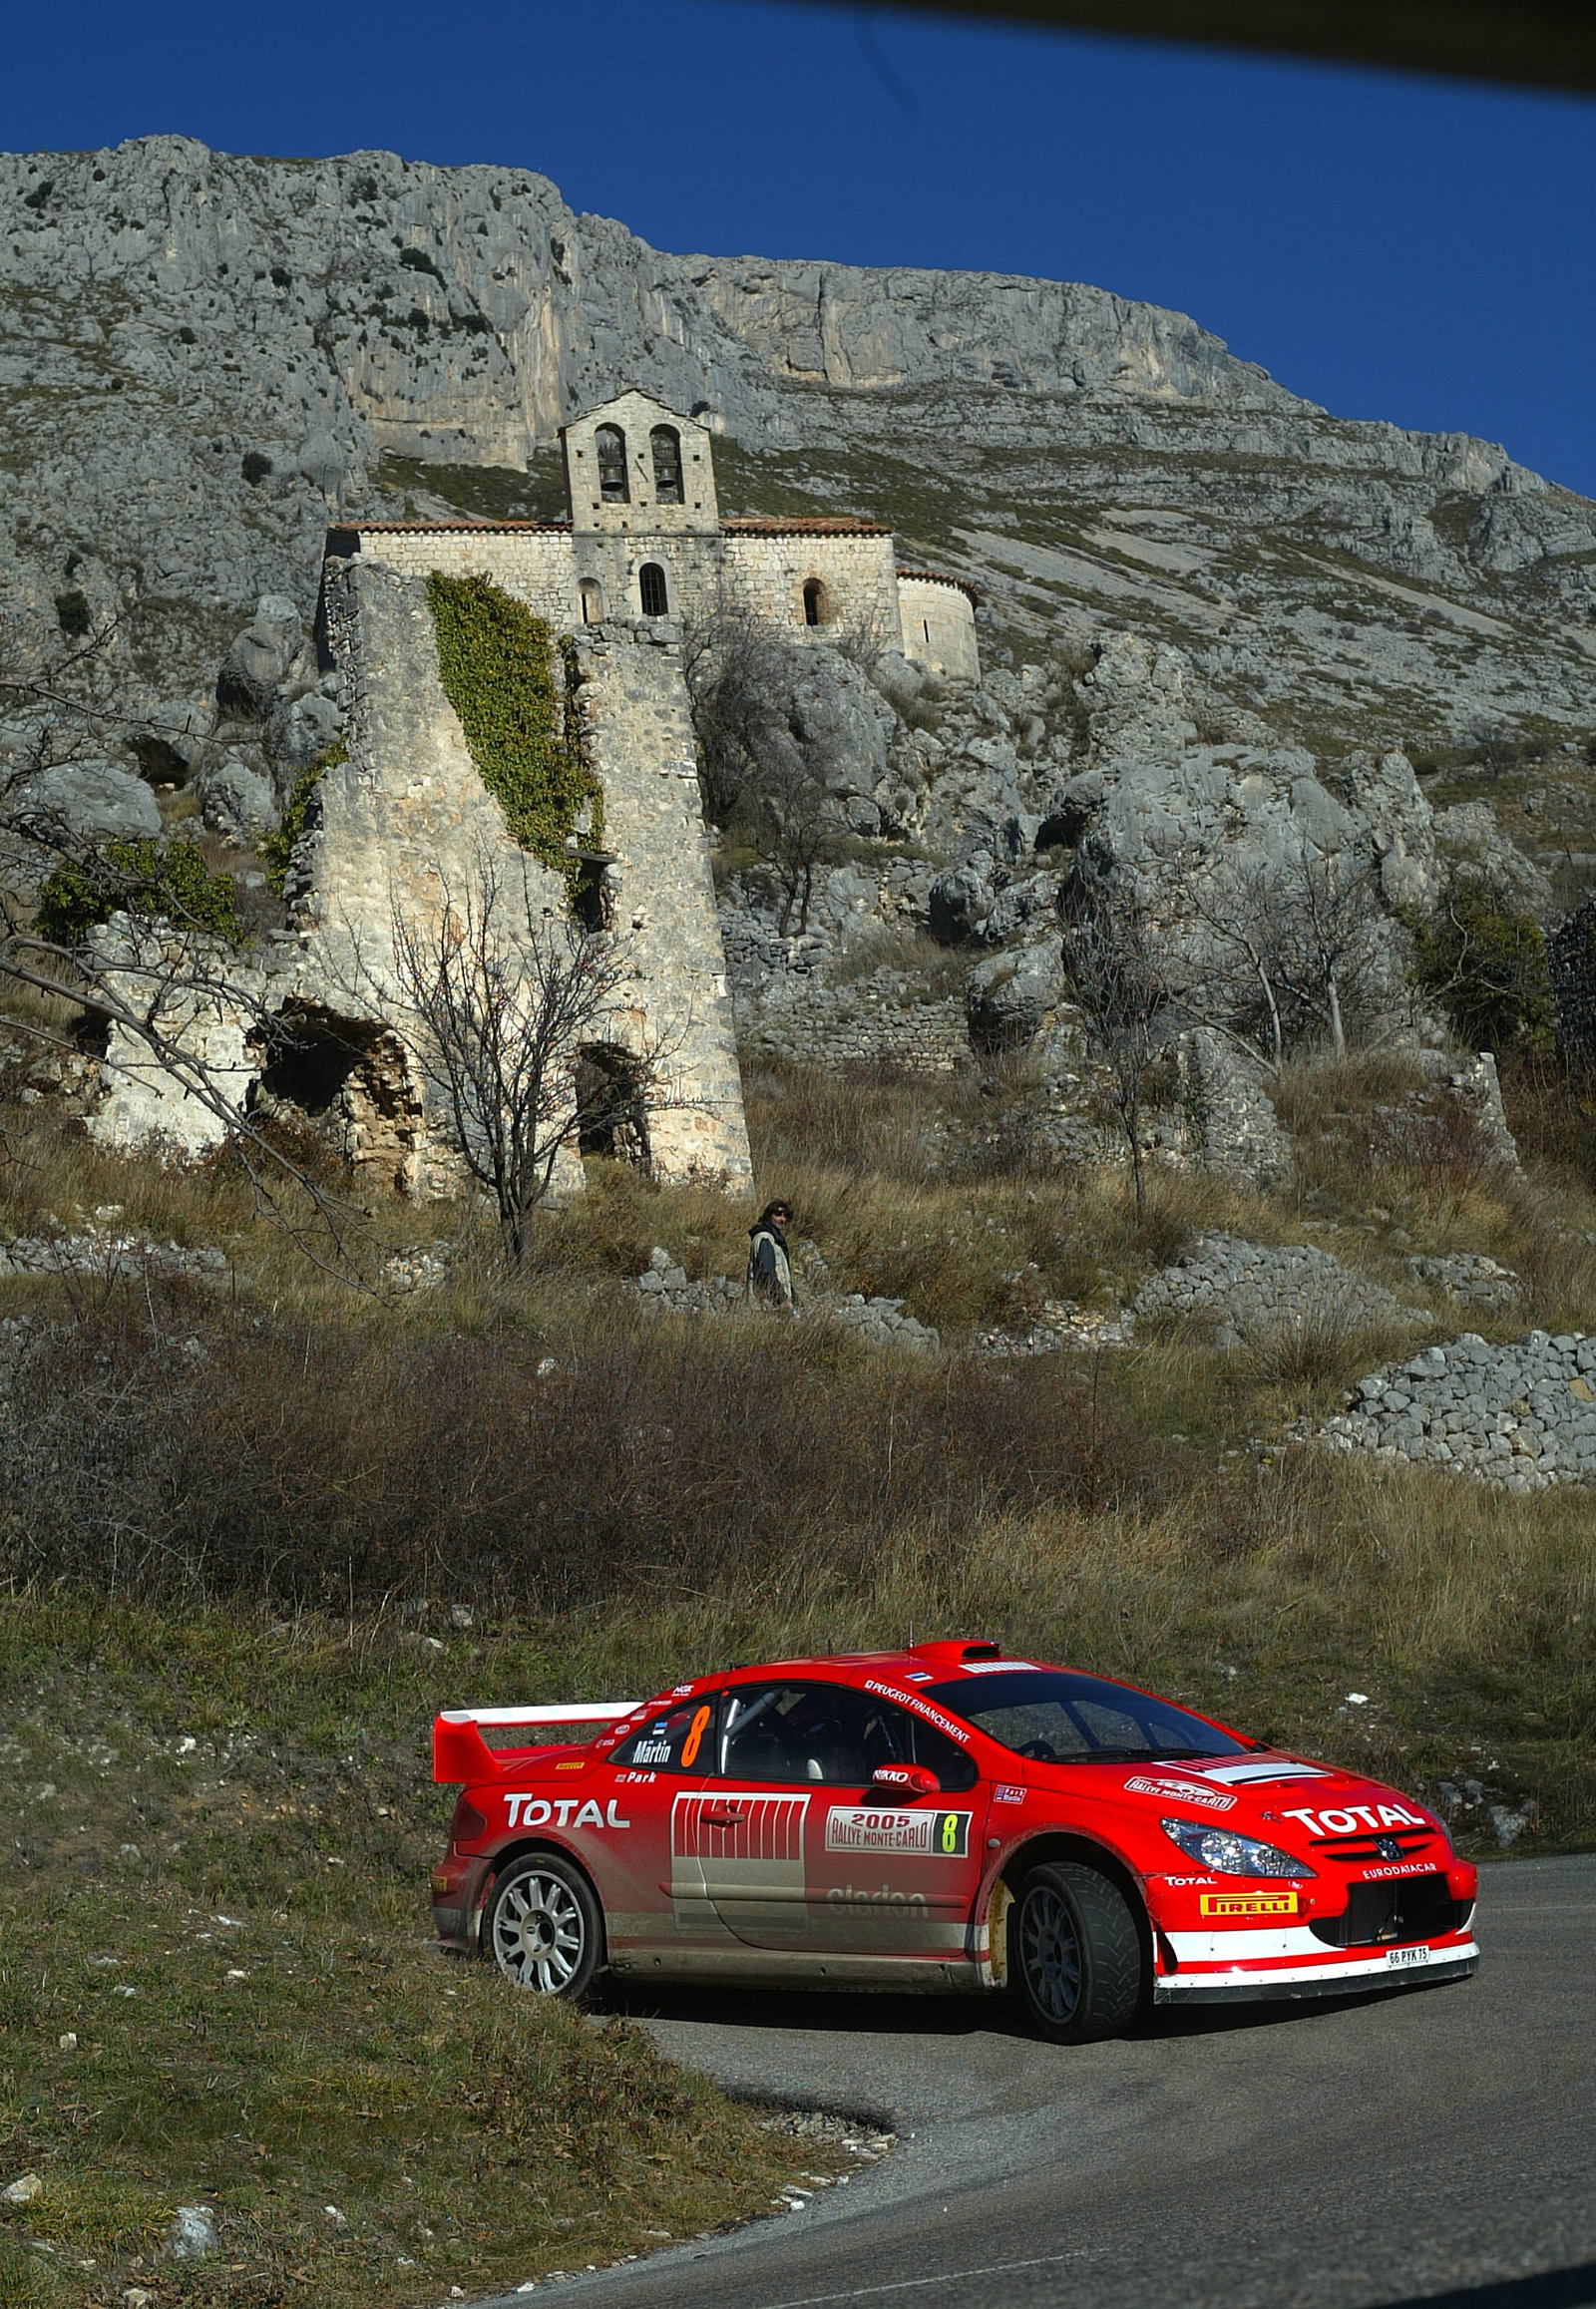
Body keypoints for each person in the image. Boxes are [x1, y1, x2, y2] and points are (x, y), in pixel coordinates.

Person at [746, 1201, 796, 1313]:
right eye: (778, 1214)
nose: (782, 1219)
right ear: (769, 1216)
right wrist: (782, 1299)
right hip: (769, 1307)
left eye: (785, 1215)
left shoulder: (774, 1240)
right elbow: (767, 1272)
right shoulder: (765, 1238)